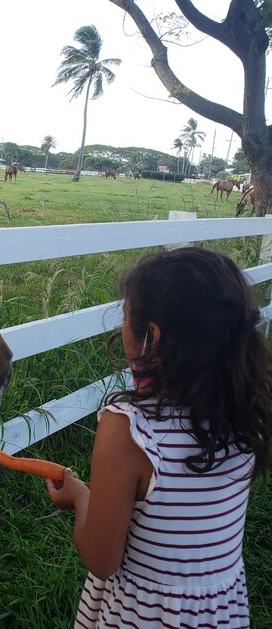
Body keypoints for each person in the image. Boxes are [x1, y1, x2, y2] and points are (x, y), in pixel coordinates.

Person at [47, 246, 272, 628]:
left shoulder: (130, 431)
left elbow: (103, 560)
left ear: (150, 335)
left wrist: (80, 497)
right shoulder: (248, 415)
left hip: (142, 614)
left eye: (125, 317)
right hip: (218, 613)